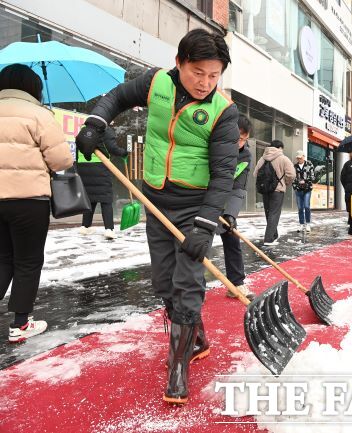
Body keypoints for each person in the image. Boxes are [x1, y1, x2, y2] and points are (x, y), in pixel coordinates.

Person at [75, 29, 239, 405]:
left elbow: (224, 174)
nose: (206, 83)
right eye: (199, 72)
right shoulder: (155, 83)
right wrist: (96, 123)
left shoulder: (224, 113)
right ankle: (195, 337)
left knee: (187, 281)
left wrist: (206, 224)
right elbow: (116, 96)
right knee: (164, 282)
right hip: (156, 198)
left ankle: (177, 365)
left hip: (195, 205)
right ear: (179, 63)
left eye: (214, 76)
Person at [0, 64, 74, 342]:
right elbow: (62, 161)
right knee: (28, 262)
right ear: (33, 88)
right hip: (29, 201)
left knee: (3, 259)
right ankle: (19, 324)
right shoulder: (39, 116)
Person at [223, 115, 255, 301]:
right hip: (204, 198)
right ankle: (194, 285)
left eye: (244, 139)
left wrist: (230, 214)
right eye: (238, 138)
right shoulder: (215, 147)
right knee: (201, 241)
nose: (240, 143)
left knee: (232, 237)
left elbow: (239, 186)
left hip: (227, 200)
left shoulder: (245, 155)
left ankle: (236, 284)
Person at [77, 126, 128, 239]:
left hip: (84, 166)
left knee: (90, 198)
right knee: (106, 199)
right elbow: (112, 148)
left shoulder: (83, 130)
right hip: (100, 167)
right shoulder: (104, 129)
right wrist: (124, 152)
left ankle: (85, 227)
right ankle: (109, 229)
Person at [253, 140, 295, 246]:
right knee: (274, 213)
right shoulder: (283, 158)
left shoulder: (262, 158)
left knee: (269, 213)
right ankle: (268, 239)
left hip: (265, 189)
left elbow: (255, 173)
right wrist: (285, 182)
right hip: (277, 190)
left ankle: (274, 235)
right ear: (280, 148)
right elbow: (291, 174)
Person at [292, 150, 314, 232]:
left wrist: (305, 181)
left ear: (303, 157)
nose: (299, 159)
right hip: (298, 190)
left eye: (300, 158)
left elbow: (313, 177)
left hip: (307, 189)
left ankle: (308, 224)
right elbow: (293, 177)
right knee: (300, 208)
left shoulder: (309, 164)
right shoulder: (295, 166)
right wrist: (295, 186)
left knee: (307, 206)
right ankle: (301, 224)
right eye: (298, 158)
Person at [340, 151, 352, 238]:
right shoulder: (348, 164)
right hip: (350, 191)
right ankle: (351, 231)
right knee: (351, 211)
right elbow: (342, 177)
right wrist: (347, 186)